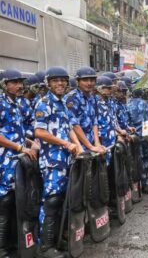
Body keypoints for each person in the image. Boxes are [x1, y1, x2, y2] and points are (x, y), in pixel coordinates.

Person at [34, 67, 83, 258]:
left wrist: (77, 146)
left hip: (66, 159)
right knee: (51, 201)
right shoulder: (43, 103)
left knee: (63, 200)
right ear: (48, 83)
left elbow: (69, 127)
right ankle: (45, 246)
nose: (60, 84)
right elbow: (39, 132)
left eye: (63, 80)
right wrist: (65, 143)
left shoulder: (63, 103)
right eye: (55, 81)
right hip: (52, 161)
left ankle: (56, 239)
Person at [0, 69, 37, 257]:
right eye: (14, 82)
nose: (19, 85)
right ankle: (2, 248)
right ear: (4, 84)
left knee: (17, 199)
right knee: (4, 202)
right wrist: (21, 148)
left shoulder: (16, 103)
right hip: (4, 159)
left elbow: (19, 130)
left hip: (18, 159)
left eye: (20, 82)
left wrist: (31, 143)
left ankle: (14, 242)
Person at [66, 67, 105, 155]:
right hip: (79, 147)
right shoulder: (72, 98)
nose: (89, 83)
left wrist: (97, 143)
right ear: (78, 82)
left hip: (92, 145)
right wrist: (90, 146)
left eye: (92, 80)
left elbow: (94, 121)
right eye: (85, 80)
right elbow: (74, 125)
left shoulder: (92, 97)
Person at [127, 89, 148, 194]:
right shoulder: (147, 104)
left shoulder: (128, 104)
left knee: (135, 159)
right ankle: (145, 183)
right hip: (146, 135)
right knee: (145, 159)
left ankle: (135, 184)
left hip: (132, 137)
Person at [95, 76, 118, 165]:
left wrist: (118, 132)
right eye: (107, 88)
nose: (110, 90)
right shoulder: (94, 102)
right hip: (101, 139)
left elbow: (113, 120)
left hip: (110, 138)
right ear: (100, 88)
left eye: (110, 88)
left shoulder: (109, 101)